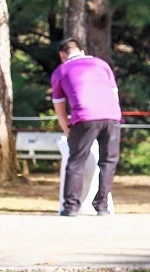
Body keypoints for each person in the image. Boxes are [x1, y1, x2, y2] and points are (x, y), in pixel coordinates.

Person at [50, 38, 122, 216]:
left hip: (85, 116)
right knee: (108, 161)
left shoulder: (61, 70)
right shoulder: (102, 65)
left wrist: (67, 129)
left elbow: (59, 107)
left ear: (62, 55)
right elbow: (115, 95)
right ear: (82, 51)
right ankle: (102, 205)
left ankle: (71, 206)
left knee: (76, 161)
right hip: (112, 115)